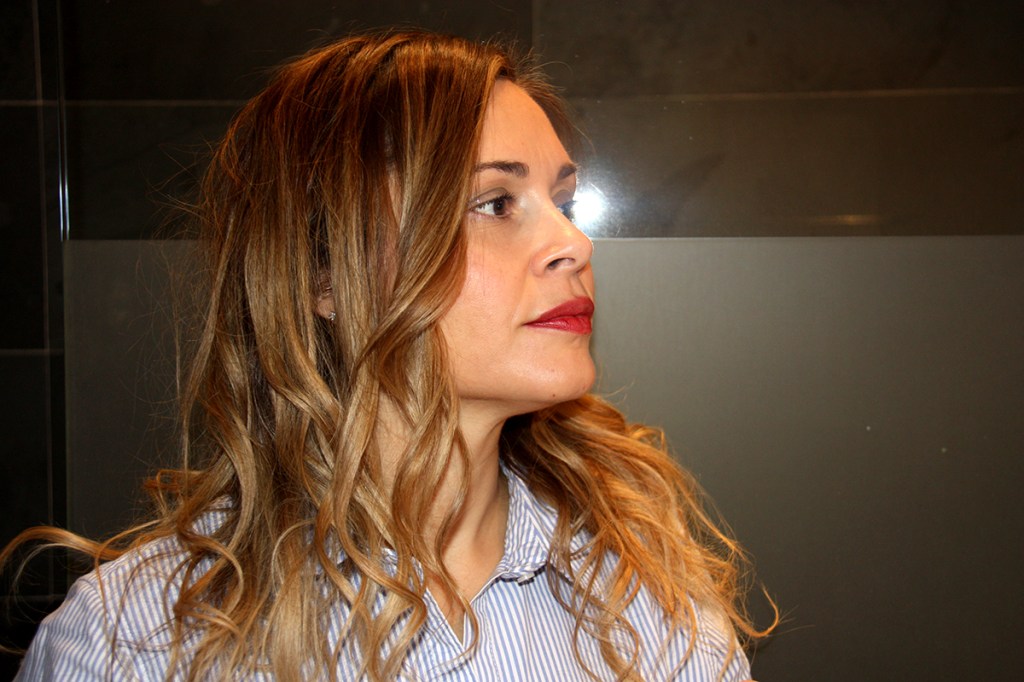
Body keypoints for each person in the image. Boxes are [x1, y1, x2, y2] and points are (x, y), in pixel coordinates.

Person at [4, 30, 771, 681]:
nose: (573, 243)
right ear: (324, 277)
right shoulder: (132, 645)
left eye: (564, 204)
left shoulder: (651, 617)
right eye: (495, 203)